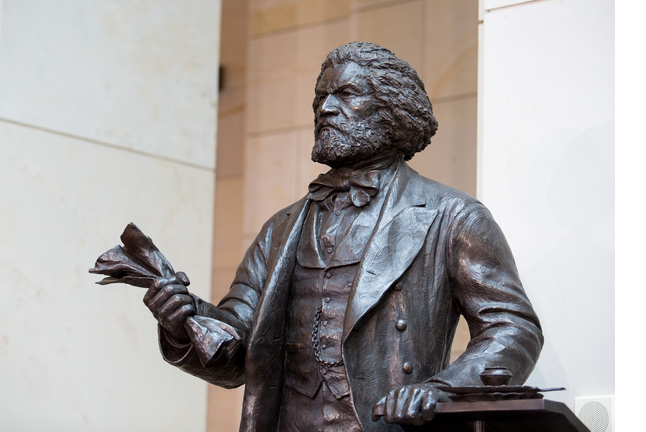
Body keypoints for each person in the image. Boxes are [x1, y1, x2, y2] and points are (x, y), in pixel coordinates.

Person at [143, 41, 543, 432]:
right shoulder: (280, 229)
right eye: (321, 98)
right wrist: (185, 321)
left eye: (347, 94)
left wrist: (442, 390)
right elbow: (238, 354)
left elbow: (512, 328)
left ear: (393, 110)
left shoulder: (452, 217)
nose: (326, 108)